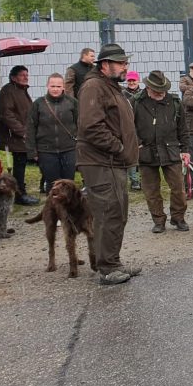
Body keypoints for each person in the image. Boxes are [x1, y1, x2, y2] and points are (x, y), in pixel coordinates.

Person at [76, 42, 140, 285]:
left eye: (126, 62)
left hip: (113, 162)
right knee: (108, 213)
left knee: (117, 213)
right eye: (121, 63)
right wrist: (120, 148)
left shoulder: (110, 87)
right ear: (105, 66)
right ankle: (107, 267)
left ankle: (113, 261)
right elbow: (91, 127)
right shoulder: (94, 87)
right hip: (101, 162)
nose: (126, 67)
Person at [133, 70, 190, 233]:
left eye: (162, 90)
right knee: (151, 190)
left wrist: (185, 149)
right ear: (148, 88)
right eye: (157, 90)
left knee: (178, 188)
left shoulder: (175, 102)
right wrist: (137, 144)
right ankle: (158, 220)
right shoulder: (136, 102)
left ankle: (178, 218)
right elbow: (129, 127)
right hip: (146, 151)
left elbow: (183, 129)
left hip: (171, 150)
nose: (160, 93)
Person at [26, 74, 78, 193]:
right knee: (53, 185)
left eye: (58, 86)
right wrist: (32, 151)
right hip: (46, 151)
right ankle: (53, 209)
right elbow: (30, 128)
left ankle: (69, 210)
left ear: (63, 87)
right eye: (52, 86)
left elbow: (80, 124)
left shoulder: (72, 103)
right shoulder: (38, 104)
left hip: (69, 149)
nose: (55, 89)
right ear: (47, 86)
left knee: (69, 184)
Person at [0, 65, 39, 206]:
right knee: (19, 164)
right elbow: (6, 115)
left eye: (27, 74)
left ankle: (19, 191)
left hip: (22, 134)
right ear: (13, 77)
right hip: (14, 136)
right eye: (22, 75)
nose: (26, 77)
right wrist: (23, 132)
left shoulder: (21, 90)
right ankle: (20, 195)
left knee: (21, 163)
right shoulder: (8, 91)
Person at [122, 71, 144, 191]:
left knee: (141, 155)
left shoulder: (143, 94)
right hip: (127, 127)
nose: (131, 83)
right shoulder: (122, 94)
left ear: (138, 81)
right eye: (129, 80)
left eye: (133, 80)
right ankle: (134, 180)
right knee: (130, 155)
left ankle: (141, 179)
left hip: (141, 126)